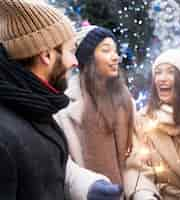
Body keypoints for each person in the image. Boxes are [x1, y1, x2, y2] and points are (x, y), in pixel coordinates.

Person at [0, 0, 122, 199]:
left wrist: (88, 186)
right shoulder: (5, 136)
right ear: (46, 55)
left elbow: (48, 168)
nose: (75, 61)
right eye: (70, 51)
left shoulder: (36, 106)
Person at [55, 26, 134, 186]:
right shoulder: (65, 106)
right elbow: (65, 167)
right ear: (88, 57)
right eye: (106, 50)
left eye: (116, 51)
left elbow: (136, 160)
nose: (115, 57)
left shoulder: (126, 101)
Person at [124, 49, 180, 200]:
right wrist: (145, 195)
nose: (162, 79)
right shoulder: (143, 121)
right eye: (158, 72)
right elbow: (136, 169)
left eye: (170, 72)